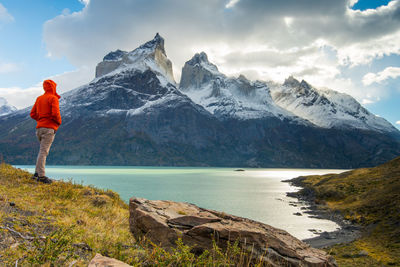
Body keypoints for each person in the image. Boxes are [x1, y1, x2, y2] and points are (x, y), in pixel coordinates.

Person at [30, 79, 62, 184]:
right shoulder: (53, 98)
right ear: (53, 87)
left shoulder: (39, 98)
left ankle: (36, 173)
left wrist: (41, 119)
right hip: (49, 128)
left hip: (39, 129)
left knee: (41, 151)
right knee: (43, 152)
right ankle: (42, 176)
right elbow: (55, 113)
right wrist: (58, 123)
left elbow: (32, 114)